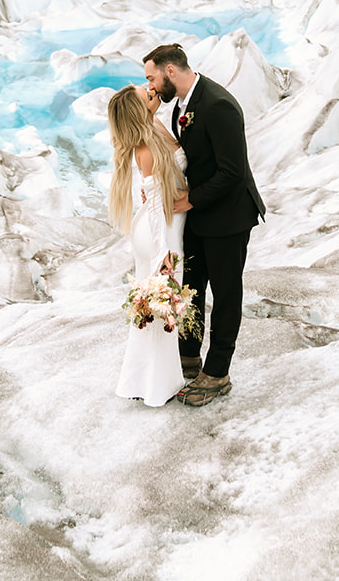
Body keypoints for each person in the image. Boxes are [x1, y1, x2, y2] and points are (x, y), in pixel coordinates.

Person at [143, 42, 265, 407]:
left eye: (151, 78)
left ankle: (217, 373)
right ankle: (189, 355)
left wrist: (190, 199)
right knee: (192, 288)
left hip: (228, 217)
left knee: (227, 295)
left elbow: (233, 172)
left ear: (169, 71)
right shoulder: (182, 103)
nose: (150, 86)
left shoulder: (219, 105)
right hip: (199, 217)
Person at [108, 83, 189, 406]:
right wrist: (163, 255)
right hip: (160, 232)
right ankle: (156, 387)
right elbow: (157, 208)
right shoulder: (148, 149)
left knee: (158, 312)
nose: (151, 90)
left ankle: (144, 381)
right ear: (141, 111)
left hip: (162, 226)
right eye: (147, 95)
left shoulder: (155, 126)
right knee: (159, 310)